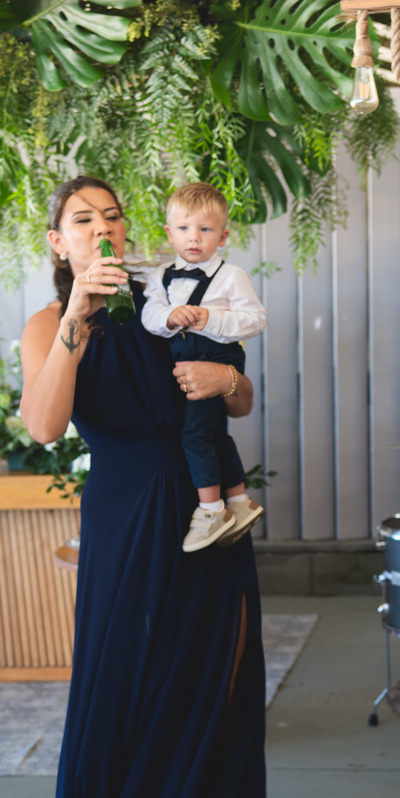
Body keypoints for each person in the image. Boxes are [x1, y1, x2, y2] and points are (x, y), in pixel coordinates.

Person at [20, 176, 266, 796]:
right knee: (128, 667)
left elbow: (241, 404)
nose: (102, 228)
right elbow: (45, 426)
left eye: (112, 216)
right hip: (125, 511)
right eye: (83, 220)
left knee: (215, 667)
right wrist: (79, 312)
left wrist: (225, 379)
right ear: (59, 242)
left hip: (202, 504)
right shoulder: (48, 323)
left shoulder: (165, 299)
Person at [142, 182, 266, 551]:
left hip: (218, 357)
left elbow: (255, 320)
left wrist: (209, 318)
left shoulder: (232, 276)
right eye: (184, 228)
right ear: (169, 233)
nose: (193, 238)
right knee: (212, 432)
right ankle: (239, 500)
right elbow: (149, 316)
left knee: (195, 435)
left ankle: (212, 509)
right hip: (183, 360)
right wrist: (169, 316)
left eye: (205, 229)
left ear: (223, 236)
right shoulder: (159, 277)